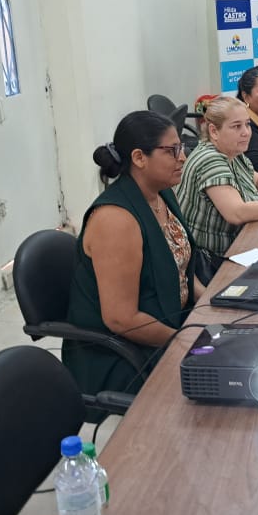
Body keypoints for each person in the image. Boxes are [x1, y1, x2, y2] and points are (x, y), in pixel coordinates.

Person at [64, 111, 200, 397]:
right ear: (139, 158)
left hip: (171, 327)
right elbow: (121, 319)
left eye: (182, 148)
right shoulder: (115, 219)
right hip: (123, 356)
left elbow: (183, 271)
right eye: (172, 150)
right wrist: (187, 341)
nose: (183, 157)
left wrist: (214, 307)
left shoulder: (161, 194)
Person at [178, 96, 258, 255]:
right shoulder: (209, 160)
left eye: (247, 124)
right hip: (213, 258)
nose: (246, 132)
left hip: (239, 241)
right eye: (236, 126)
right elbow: (237, 213)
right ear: (214, 131)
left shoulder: (232, 150)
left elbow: (257, 180)